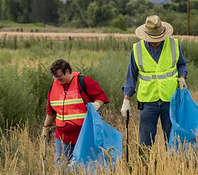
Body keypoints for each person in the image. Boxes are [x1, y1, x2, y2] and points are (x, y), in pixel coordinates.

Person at [121, 15, 188, 147]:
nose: (155, 41)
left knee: (173, 139)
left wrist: (182, 77)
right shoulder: (137, 49)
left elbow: (182, 64)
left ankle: (173, 165)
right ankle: (146, 166)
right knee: (145, 142)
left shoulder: (174, 45)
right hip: (147, 102)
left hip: (170, 100)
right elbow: (131, 75)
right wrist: (126, 100)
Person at [42, 58, 109, 167]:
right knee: (61, 166)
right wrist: (46, 128)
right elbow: (51, 112)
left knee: (85, 165)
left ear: (67, 71)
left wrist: (96, 104)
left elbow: (101, 97)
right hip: (63, 136)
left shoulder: (83, 81)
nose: (57, 79)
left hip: (84, 134)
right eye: (55, 77)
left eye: (59, 76)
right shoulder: (54, 87)